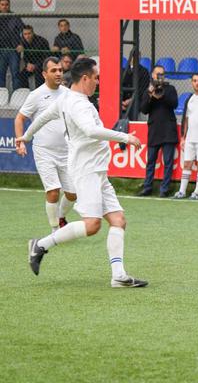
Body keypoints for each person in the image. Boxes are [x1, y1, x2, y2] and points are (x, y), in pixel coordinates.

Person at [17, 57, 147, 288]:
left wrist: (25, 136)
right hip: (87, 170)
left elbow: (43, 118)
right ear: (85, 78)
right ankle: (41, 245)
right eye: (96, 78)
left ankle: (118, 276)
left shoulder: (66, 99)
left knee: (118, 220)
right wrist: (125, 136)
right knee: (92, 225)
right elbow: (90, 130)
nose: (98, 82)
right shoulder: (78, 104)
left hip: (97, 170)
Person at [14, 56, 76, 232]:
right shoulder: (36, 95)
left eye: (60, 70)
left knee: (73, 194)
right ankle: (55, 230)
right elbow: (19, 118)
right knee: (53, 191)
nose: (58, 73)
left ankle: (61, 217)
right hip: (44, 151)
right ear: (44, 74)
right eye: (53, 70)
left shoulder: (68, 93)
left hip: (66, 152)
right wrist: (20, 141)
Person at [138, 65, 179, 197]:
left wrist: (162, 95)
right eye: (157, 74)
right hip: (154, 130)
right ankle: (147, 187)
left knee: (168, 162)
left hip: (168, 130)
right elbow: (144, 109)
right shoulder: (148, 90)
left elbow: (174, 104)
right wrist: (150, 95)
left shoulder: (170, 89)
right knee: (150, 161)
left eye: (162, 74)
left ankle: (164, 189)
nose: (159, 76)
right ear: (152, 75)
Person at [174, 73, 198, 200]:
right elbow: (186, 119)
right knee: (187, 164)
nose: (197, 83)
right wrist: (183, 137)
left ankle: (196, 192)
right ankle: (182, 191)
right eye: (194, 81)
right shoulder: (190, 98)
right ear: (192, 83)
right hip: (189, 138)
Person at [0, 0, 24, 91]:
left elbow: (23, 31)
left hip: (13, 49)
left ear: (9, 5)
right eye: (2, 4)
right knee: (1, 74)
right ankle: (1, 95)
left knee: (15, 74)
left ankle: (16, 95)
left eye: (6, 4)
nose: (4, 6)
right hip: (1, 50)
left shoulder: (15, 17)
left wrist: (21, 44)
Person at [121, 51, 151, 121]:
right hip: (123, 101)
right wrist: (121, 102)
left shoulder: (144, 72)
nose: (135, 59)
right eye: (133, 57)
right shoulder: (122, 71)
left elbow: (143, 89)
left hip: (137, 101)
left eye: (137, 57)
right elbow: (118, 87)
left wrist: (130, 100)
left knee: (133, 109)